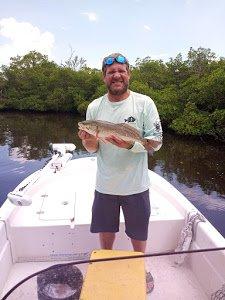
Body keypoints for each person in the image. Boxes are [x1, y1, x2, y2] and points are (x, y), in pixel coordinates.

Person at [78, 53, 162, 293]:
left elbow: (156, 142)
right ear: (104, 77)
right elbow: (93, 148)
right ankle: (105, 264)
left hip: (136, 186)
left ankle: (139, 267)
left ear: (128, 74)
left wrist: (131, 145)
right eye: (111, 72)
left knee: (138, 232)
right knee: (106, 231)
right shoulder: (94, 107)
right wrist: (89, 138)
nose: (116, 75)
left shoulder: (145, 103)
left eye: (121, 71)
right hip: (105, 185)